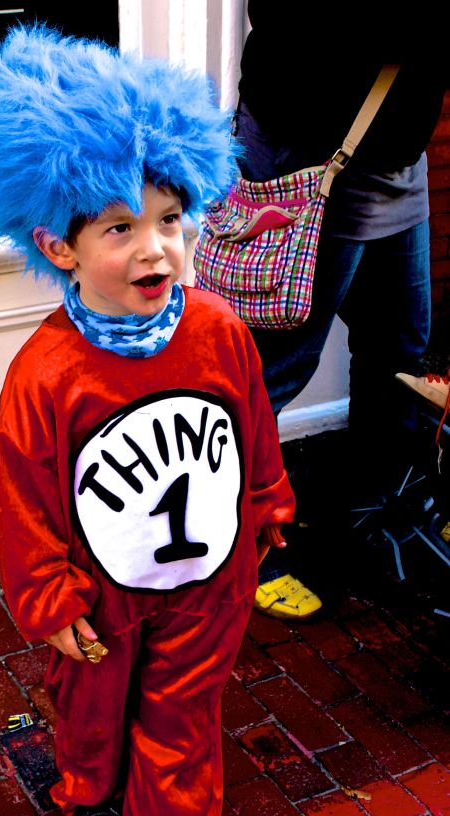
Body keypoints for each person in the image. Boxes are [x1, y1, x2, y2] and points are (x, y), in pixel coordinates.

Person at [0, 25, 294, 816]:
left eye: (170, 221)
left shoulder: (217, 326)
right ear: (58, 246)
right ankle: (94, 791)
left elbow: (249, 421)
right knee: (93, 697)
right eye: (120, 227)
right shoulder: (49, 372)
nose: (156, 249)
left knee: (180, 714)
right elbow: (22, 496)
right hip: (104, 588)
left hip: (207, 581)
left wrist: (268, 501)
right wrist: (47, 596)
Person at [210, 1, 448, 620]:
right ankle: (236, 544)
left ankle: (373, 514)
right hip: (311, 149)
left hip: (396, 148)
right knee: (274, 366)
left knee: (400, 350)